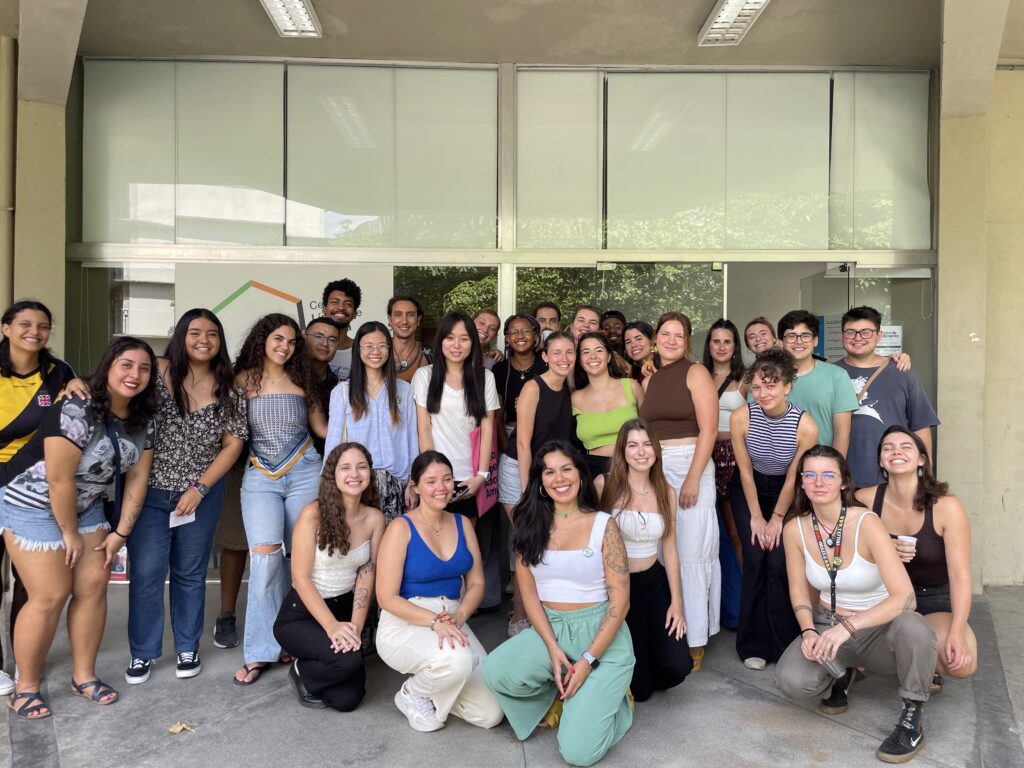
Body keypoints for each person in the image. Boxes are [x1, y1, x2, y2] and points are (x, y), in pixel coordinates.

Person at [1, 337, 157, 718]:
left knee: (92, 586)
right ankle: (26, 687)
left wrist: (120, 533)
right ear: (108, 366)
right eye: (126, 364)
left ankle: (83, 677)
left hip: (85, 506)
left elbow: (138, 479)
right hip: (32, 502)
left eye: (144, 368)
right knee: (50, 594)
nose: (134, 375)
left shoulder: (143, 418)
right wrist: (69, 533)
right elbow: (59, 480)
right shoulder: (77, 406)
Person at [776, 446, 937, 764]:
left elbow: (906, 597)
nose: (818, 482)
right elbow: (798, 591)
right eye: (810, 474)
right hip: (828, 623)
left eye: (828, 474)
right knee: (792, 681)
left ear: (844, 483)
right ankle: (843, 672)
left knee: (915, 628)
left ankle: (912, 716)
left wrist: (848, 627)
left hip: (878, 627)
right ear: (802, 483)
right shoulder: (794, 529)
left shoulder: (866, 522)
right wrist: (809, 631)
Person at [484, 441, 634, 767]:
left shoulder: (603, 525)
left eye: (566, 468)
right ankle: (561, 694)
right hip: (551, 628)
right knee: (495, 672)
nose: (559, 478)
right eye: (549, 471)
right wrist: (552, 648)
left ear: (580, 473)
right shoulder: (528, 526)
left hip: (600, 636)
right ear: (540, 481)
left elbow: (619, 604)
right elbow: (530, 596)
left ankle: (618, 704)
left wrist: (587, 661)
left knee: (578, 752)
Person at [125, 309, 247, 685]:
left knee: (190, 573)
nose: (203, 340)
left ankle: (187, 647)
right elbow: (111, 384)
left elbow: (233, 445)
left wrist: (199, 488)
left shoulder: (230, 388)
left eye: (212, 334)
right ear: (181, 336)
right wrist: (71, 385)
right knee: (146, 573)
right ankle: (142, 653)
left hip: (201, 495)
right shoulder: (156, 373)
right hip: (150, 491)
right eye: (195, 332)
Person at [375, 451, 504, 732]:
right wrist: (434, 622)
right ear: (415, 486)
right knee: (458, 661)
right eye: (431, 481)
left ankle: (440, 683)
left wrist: (459, 617)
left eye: (447, 479)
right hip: (406, 620)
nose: (441, 487)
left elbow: (477, 584)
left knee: (491, 712)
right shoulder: (400, 527)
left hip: (452, 617)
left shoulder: (462, 524)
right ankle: (414, 692)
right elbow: (386, 597)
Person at [232, 313, 328, 685]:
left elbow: (322, 429)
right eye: (277, 339)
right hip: (260, 476)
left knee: (302, 558)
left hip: (305, 470)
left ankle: (293, 639)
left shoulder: (304, 379)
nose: (284, 347)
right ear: (262, 340)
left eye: (291, 341)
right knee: (266, 558)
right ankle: (259, 651)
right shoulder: (241, 381)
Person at [0, 299, 87, 694]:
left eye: (42, 326)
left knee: (30, 584)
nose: (34, 331)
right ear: (6, 328)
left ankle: (24, 661)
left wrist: (73, 385)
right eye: (24, 324)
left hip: (28, 489)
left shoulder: (58, 373)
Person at [855, 427, 977, 695]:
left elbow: (960, 577)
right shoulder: (864, 499)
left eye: (906, 446)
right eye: (887, 447)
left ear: (922, 459)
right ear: (880, 460)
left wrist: (957, 631)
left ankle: (922, 661)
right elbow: (842, 552)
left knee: (959, 664)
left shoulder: (946, 506)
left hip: (932, 598)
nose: (896, 451)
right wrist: (882, 550)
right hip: (883, 597)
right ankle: (888, 660)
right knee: (859, 647)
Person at [274, 443, 385, 711]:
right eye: (345, 467)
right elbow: (299, 578)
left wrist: (355, 627)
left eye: (361, 467)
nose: (354, 474)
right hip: (302, 614)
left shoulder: (375, 518)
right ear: (332, 475)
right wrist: (332, 627)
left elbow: (367, 573)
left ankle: (316, 666)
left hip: (346, 610)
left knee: (347, 700)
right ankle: (301, 669)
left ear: (370, 473)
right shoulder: (313, 514)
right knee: (347, 662)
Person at [639, 311, 720, 669]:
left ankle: (695, 638)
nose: (671, 340)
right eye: (665, 334)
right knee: (661, 550)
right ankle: (669, 630)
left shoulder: (696, 372)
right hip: (658, 467)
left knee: (691, 552)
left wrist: (692, 476)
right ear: (656, 338)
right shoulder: (652, 377)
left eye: (679, 335)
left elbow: (709, 429)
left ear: (687, 341)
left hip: (692, 463)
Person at [729, 348, 818, 669]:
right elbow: (744, 471)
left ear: (787, 387)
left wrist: (778, 518)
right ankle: (752, 643)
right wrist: (756, 517)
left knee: (780, 562)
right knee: (755, 558)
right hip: (749, 491)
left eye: (771, 385)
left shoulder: (805, 426)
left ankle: (783, 645)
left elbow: (795, 477)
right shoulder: (741, 417)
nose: (763, 393)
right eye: (757, 387)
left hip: (786, 492)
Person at [597, 420, 691, 701]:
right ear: (622, 451)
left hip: (654, 582)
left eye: (647, 444)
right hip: (618, 587)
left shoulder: (666, 491)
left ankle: (649, 657)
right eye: (633, 445)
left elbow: (671, 549)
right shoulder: (605, 485)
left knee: (678, 667)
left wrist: (677, 602)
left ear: (656, 450)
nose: (641, 452)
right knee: (641, 692)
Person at [499, 331, 576, 635]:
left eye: (569, 352)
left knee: (544, 546)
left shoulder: (571, 386)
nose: (563, 359)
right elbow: (522, 443)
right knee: (527, 544)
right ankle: (519, 621)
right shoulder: (534, 387)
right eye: (556, 353)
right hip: (520, 471)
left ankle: (539, 616)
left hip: (551, 475)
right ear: (544, 357)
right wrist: (528, 491)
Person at [324, 321, 417, 524]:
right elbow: (333, 444)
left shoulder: (404, 390)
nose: (376, 351)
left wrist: (413, 482)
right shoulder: (342, 393)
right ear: (358, 350)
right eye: (368, 346)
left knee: (394, 549)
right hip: (357, 484)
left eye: (382, 345)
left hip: (397, 484)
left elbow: (412, 440)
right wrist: (329, 488)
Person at [836, 307, 938, 489]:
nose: (858, 338)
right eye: (851, 332)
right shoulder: (831, 373)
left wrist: (925, 476)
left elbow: (921, 425)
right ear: (841, 336)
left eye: (866, 332)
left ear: (879, 335)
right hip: (842, 478)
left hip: (893, 477)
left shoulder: (901, 371)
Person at [412, 312, 499, 522]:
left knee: (466, 543)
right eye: (450, 338)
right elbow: (424, 428)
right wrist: (432, 475)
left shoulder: (485, 377)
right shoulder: (425, 376)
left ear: (473, 343)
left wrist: (482, 475)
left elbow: (488, 430)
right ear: (440, 340)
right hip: (435, 478)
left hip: (469, 478)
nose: (456, 345)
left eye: (464, 338)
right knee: (434, 541)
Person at [702, 318, 747, 630]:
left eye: (727, 341)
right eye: (715, 341)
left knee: (735, 535)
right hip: (704, 459)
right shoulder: (697, 374)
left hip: (734, 459)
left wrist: (720, 436)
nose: (720, 347)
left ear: (735, 346)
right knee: (709, 537)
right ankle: (712, 610)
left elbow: (753, 423)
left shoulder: (746, 378)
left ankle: (741, 609)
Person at [776, 310, 859, 453]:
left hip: (820, 465)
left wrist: (834, 470)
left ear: (815, 340)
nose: (799, 341)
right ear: (781, 342)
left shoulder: (837, 376)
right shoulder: (768, 377)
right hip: (774, 467)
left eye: (806, 335)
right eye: (791, 336)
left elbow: (842, 434)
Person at [571, 332, 644, 478]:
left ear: (609, 356)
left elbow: (650, 429)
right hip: (592, 470)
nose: (593, 356)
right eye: (586, 352)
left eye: (599, 350)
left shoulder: (631, 386)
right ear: (579, 360)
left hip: (633, 465)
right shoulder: (575, 398)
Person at [491, 313, 546, 450]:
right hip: (511, 436)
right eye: (514, 332)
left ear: (536, 336)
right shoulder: (500, 369)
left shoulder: (546, 364)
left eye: (526, 331)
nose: (520, 336)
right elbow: (497, 416)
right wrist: (506, 450)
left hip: (544, 435)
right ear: (507, 339)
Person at [303, 316, 342, 456]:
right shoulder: (288, 377)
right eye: (318, 336)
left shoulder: (338, 386)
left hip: (326, 463)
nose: (325, 343)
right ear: (304, 337)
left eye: (332, 340)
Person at [323, 278, 361, 381]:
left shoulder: (361, 350)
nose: (341, 307)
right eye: (335, 302)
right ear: (324, 309)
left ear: (354, 314)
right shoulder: (310, 347)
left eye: (348, 304)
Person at [388, 295, 432, 383]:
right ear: (390, 320)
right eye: (398, 314)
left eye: (410, 315)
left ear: (418, 320)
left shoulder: (431, 355)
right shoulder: (378, 352)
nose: (404, 321)